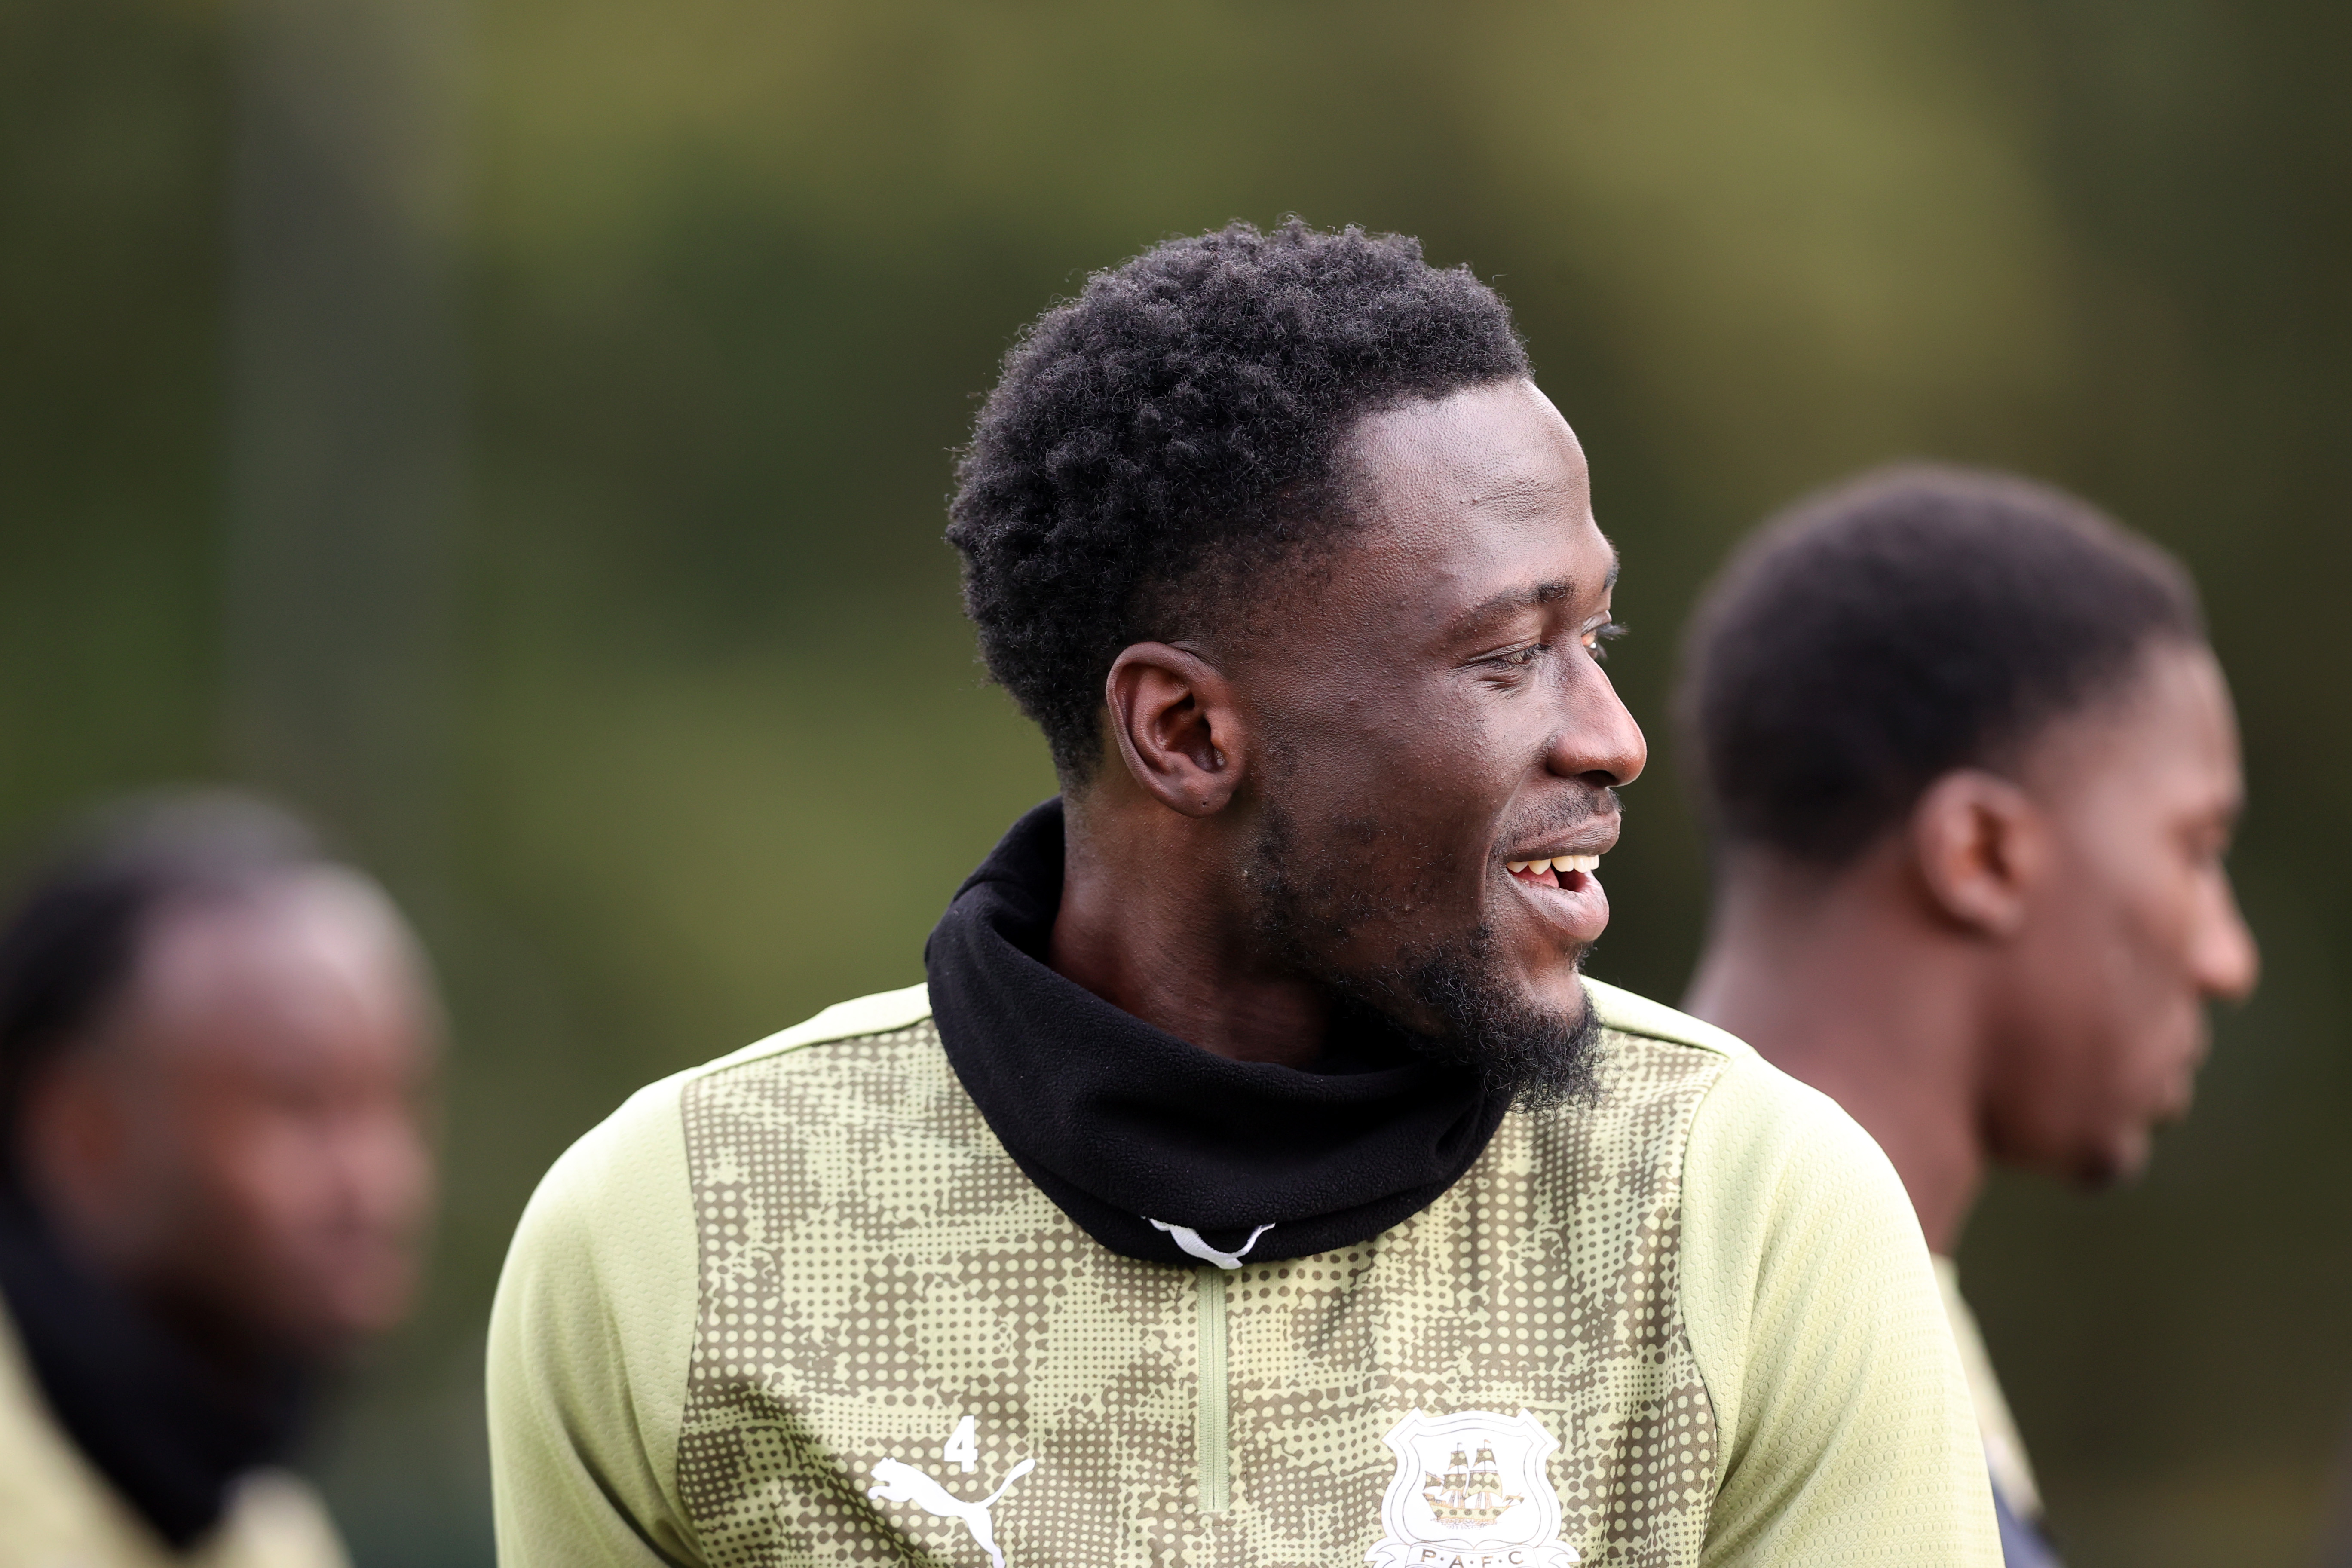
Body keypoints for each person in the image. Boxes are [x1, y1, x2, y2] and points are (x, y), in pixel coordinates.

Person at [488, 220, 1999, 1565]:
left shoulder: (1750, 1212)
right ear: (1187, 733)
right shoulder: (669, 1237)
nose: (1611, 737)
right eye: (1505, 654)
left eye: (1591, 636)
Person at [1676, 466, 2260, 1565]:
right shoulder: (1665, 1352)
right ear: (1982, 855)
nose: (2230, 960)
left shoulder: (1871, 1308)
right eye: (2195, 850)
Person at [0, 792, 441, 1567]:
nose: (380, 1182)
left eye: (397, 1101)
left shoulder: (270, 1534)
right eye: (301, 1105)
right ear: (82, 1130)